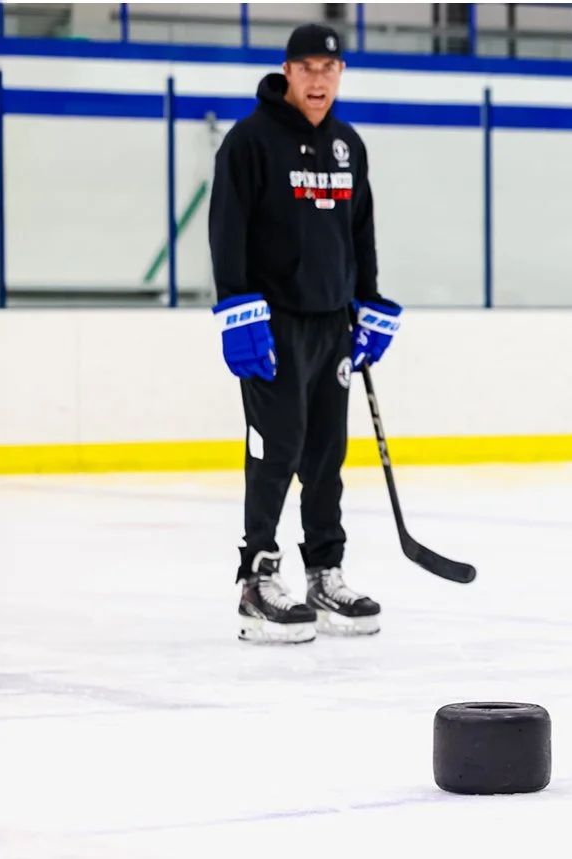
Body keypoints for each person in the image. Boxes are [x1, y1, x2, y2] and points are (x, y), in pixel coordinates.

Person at [208, 22, 401, 644]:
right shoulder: (250, 142)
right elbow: (226, 229)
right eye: (307, 68)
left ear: (340, 75)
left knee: (326, 456)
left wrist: (367, 301)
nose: (318, 80)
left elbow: (360, 231)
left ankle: (325, 570)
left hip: (332, 323)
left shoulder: (348, 145)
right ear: (287, 72)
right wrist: (237, 309)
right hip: (273, 325)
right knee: (277, 449)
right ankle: (258, 578)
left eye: (329, 69)